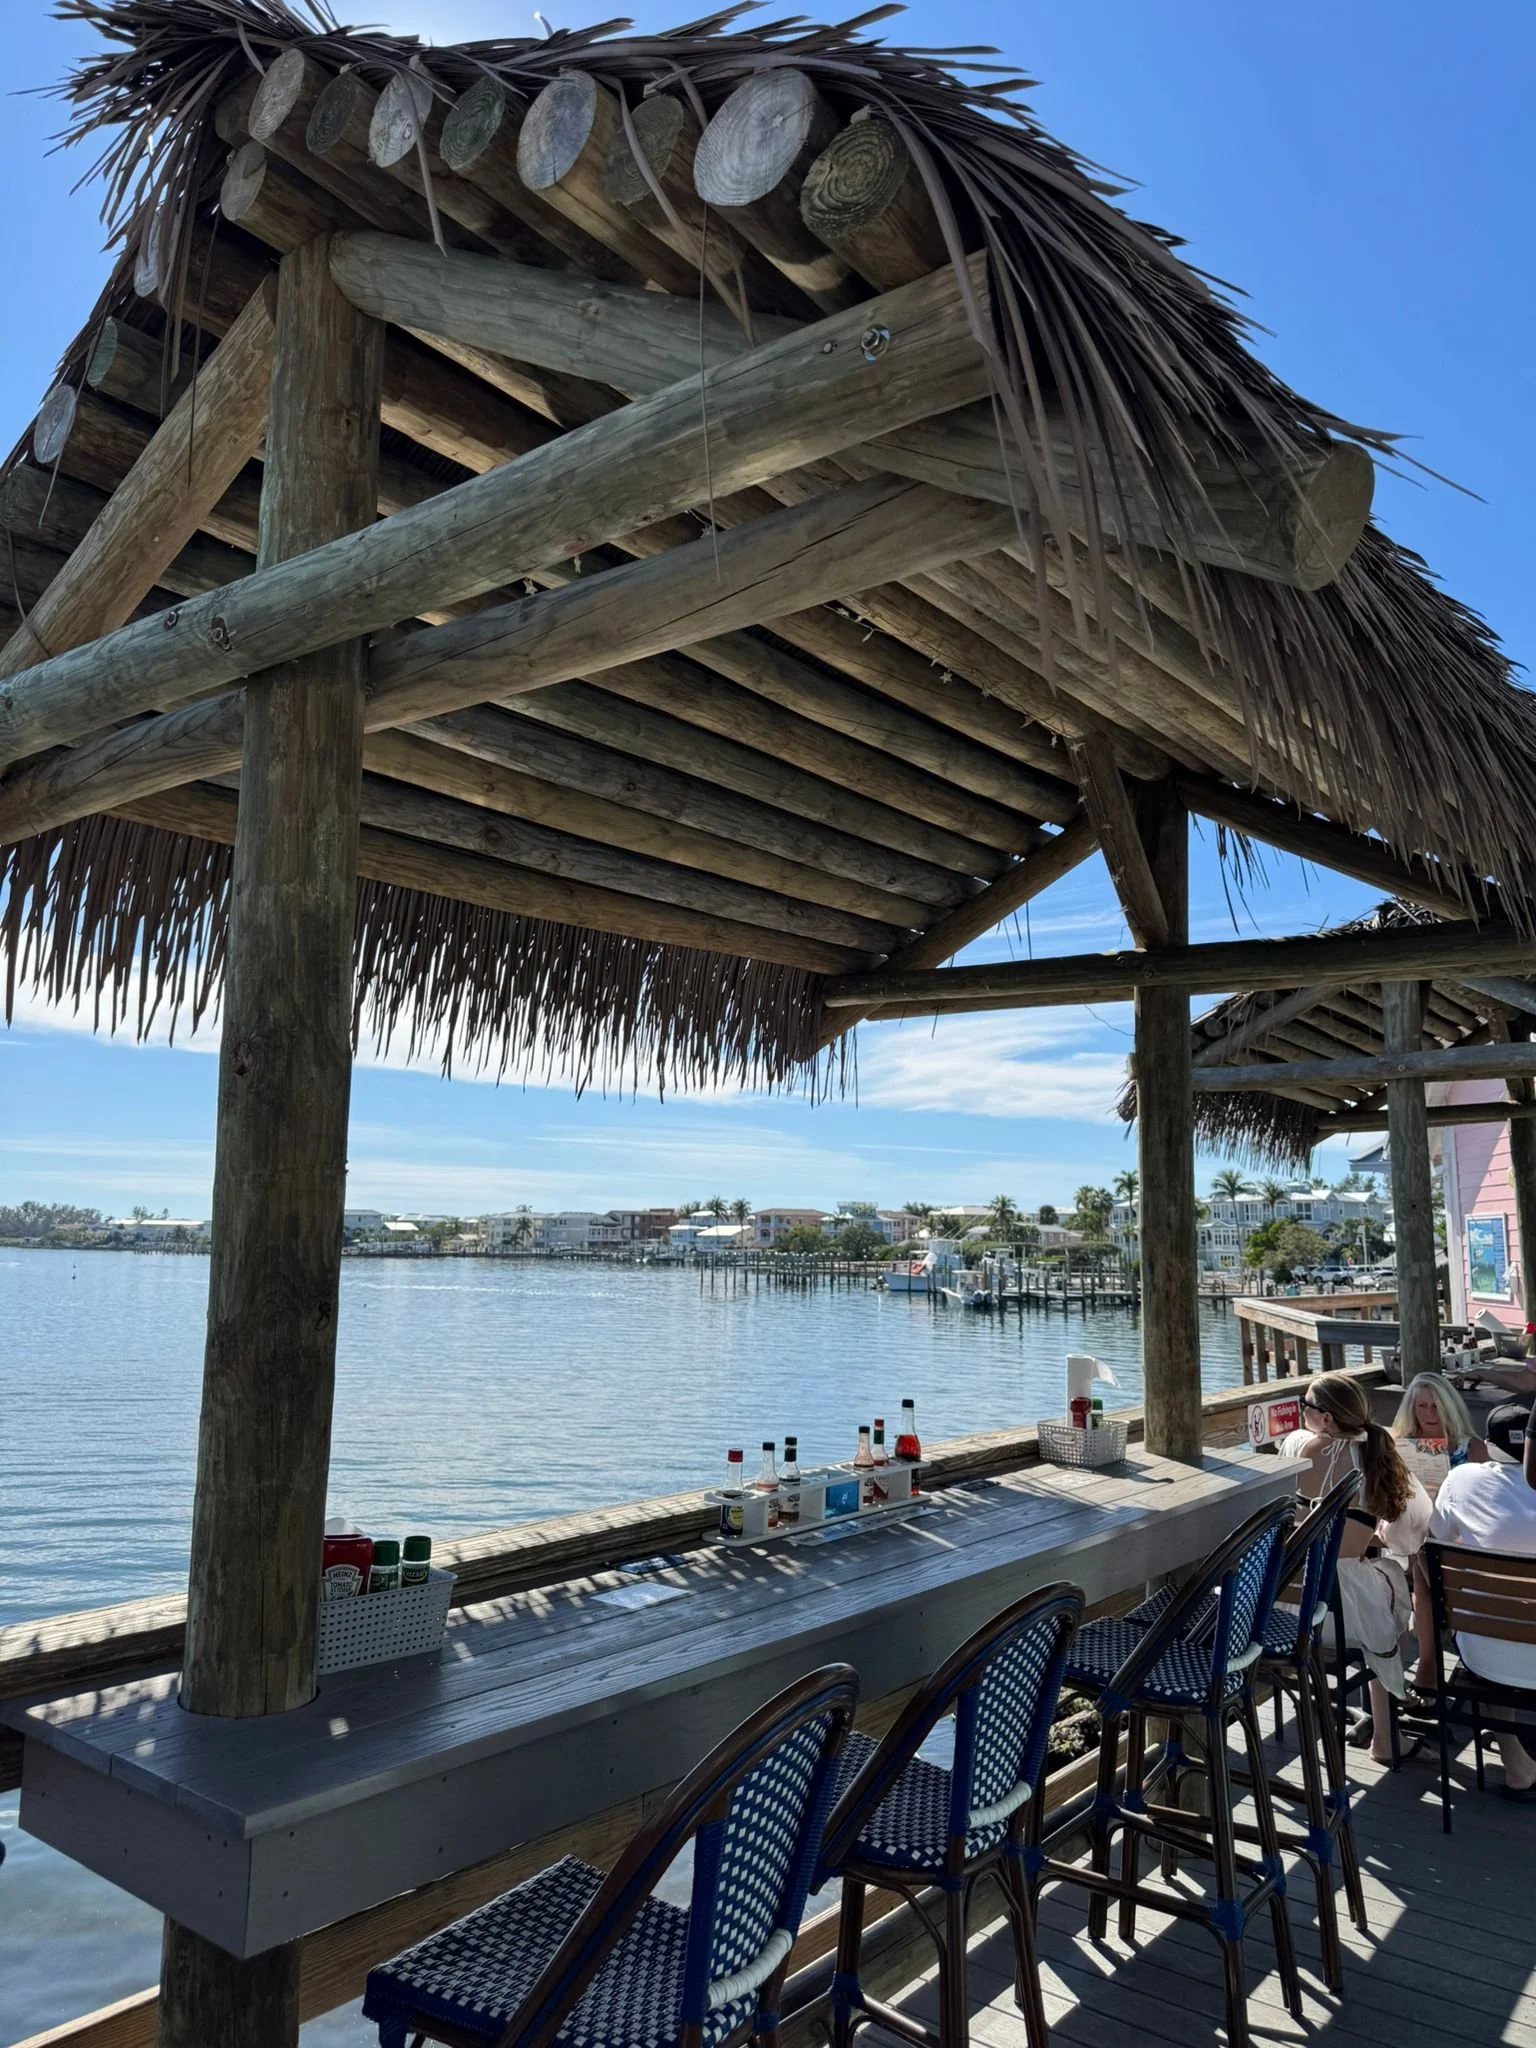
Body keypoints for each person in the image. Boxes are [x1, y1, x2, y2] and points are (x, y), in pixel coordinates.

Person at [1279, 1372, 1432, 1764]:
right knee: (1389, 1586)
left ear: (1326, 1418)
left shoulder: (1298, 1449)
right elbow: (1410, 1534)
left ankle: (1328, 1703)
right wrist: (1372, 1536)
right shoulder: (1377, 1454)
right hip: (1346, 1614)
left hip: (1291, 1611)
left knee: (1375, 1593)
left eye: (1306, 1406)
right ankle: (1386, 1732)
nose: (1302, 1411)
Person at [1426, 1402, 1536, 1802]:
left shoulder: (1461, 1480)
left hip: (1484, 1653)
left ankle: (1515, 1758)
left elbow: (1433, 1540)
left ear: (1488, 1445)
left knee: (1491, 1631)